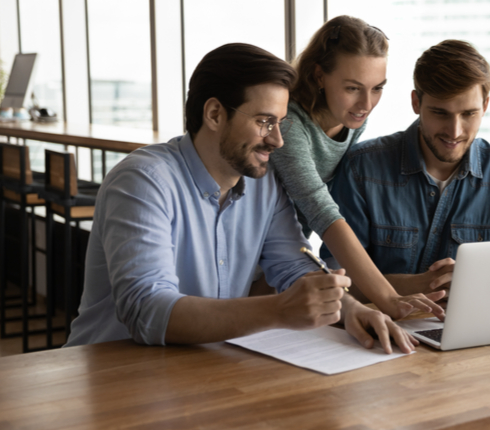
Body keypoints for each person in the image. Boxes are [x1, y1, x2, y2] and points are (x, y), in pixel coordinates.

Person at [65, 43, 415, 354]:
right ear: (215, 114)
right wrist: (277, 309)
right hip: (111, 378)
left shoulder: (263, 185)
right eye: (265, 122)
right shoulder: (142, 181)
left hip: (200, 371)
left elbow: (293, 267)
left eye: (280, 123)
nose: (277, 140)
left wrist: (351, 308)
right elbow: (147, 312)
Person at [322, 40, 490, 301]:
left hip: (476, 332)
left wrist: (483, 278)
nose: (455, 131)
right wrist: (422, 285)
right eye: (440, 113)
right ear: (416, 103)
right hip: (384, 334)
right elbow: (337, 281)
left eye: (469, 114)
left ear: (485, 106)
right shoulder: (362, 168)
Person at [269, 16, 443, 319]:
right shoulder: (291, 125)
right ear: (319, 76)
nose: (366, 103)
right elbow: (322, 211)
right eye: (352, 88)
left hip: (285, 259)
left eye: (377, 88)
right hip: (255, 258)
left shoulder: (351, 120)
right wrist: (388, 298)